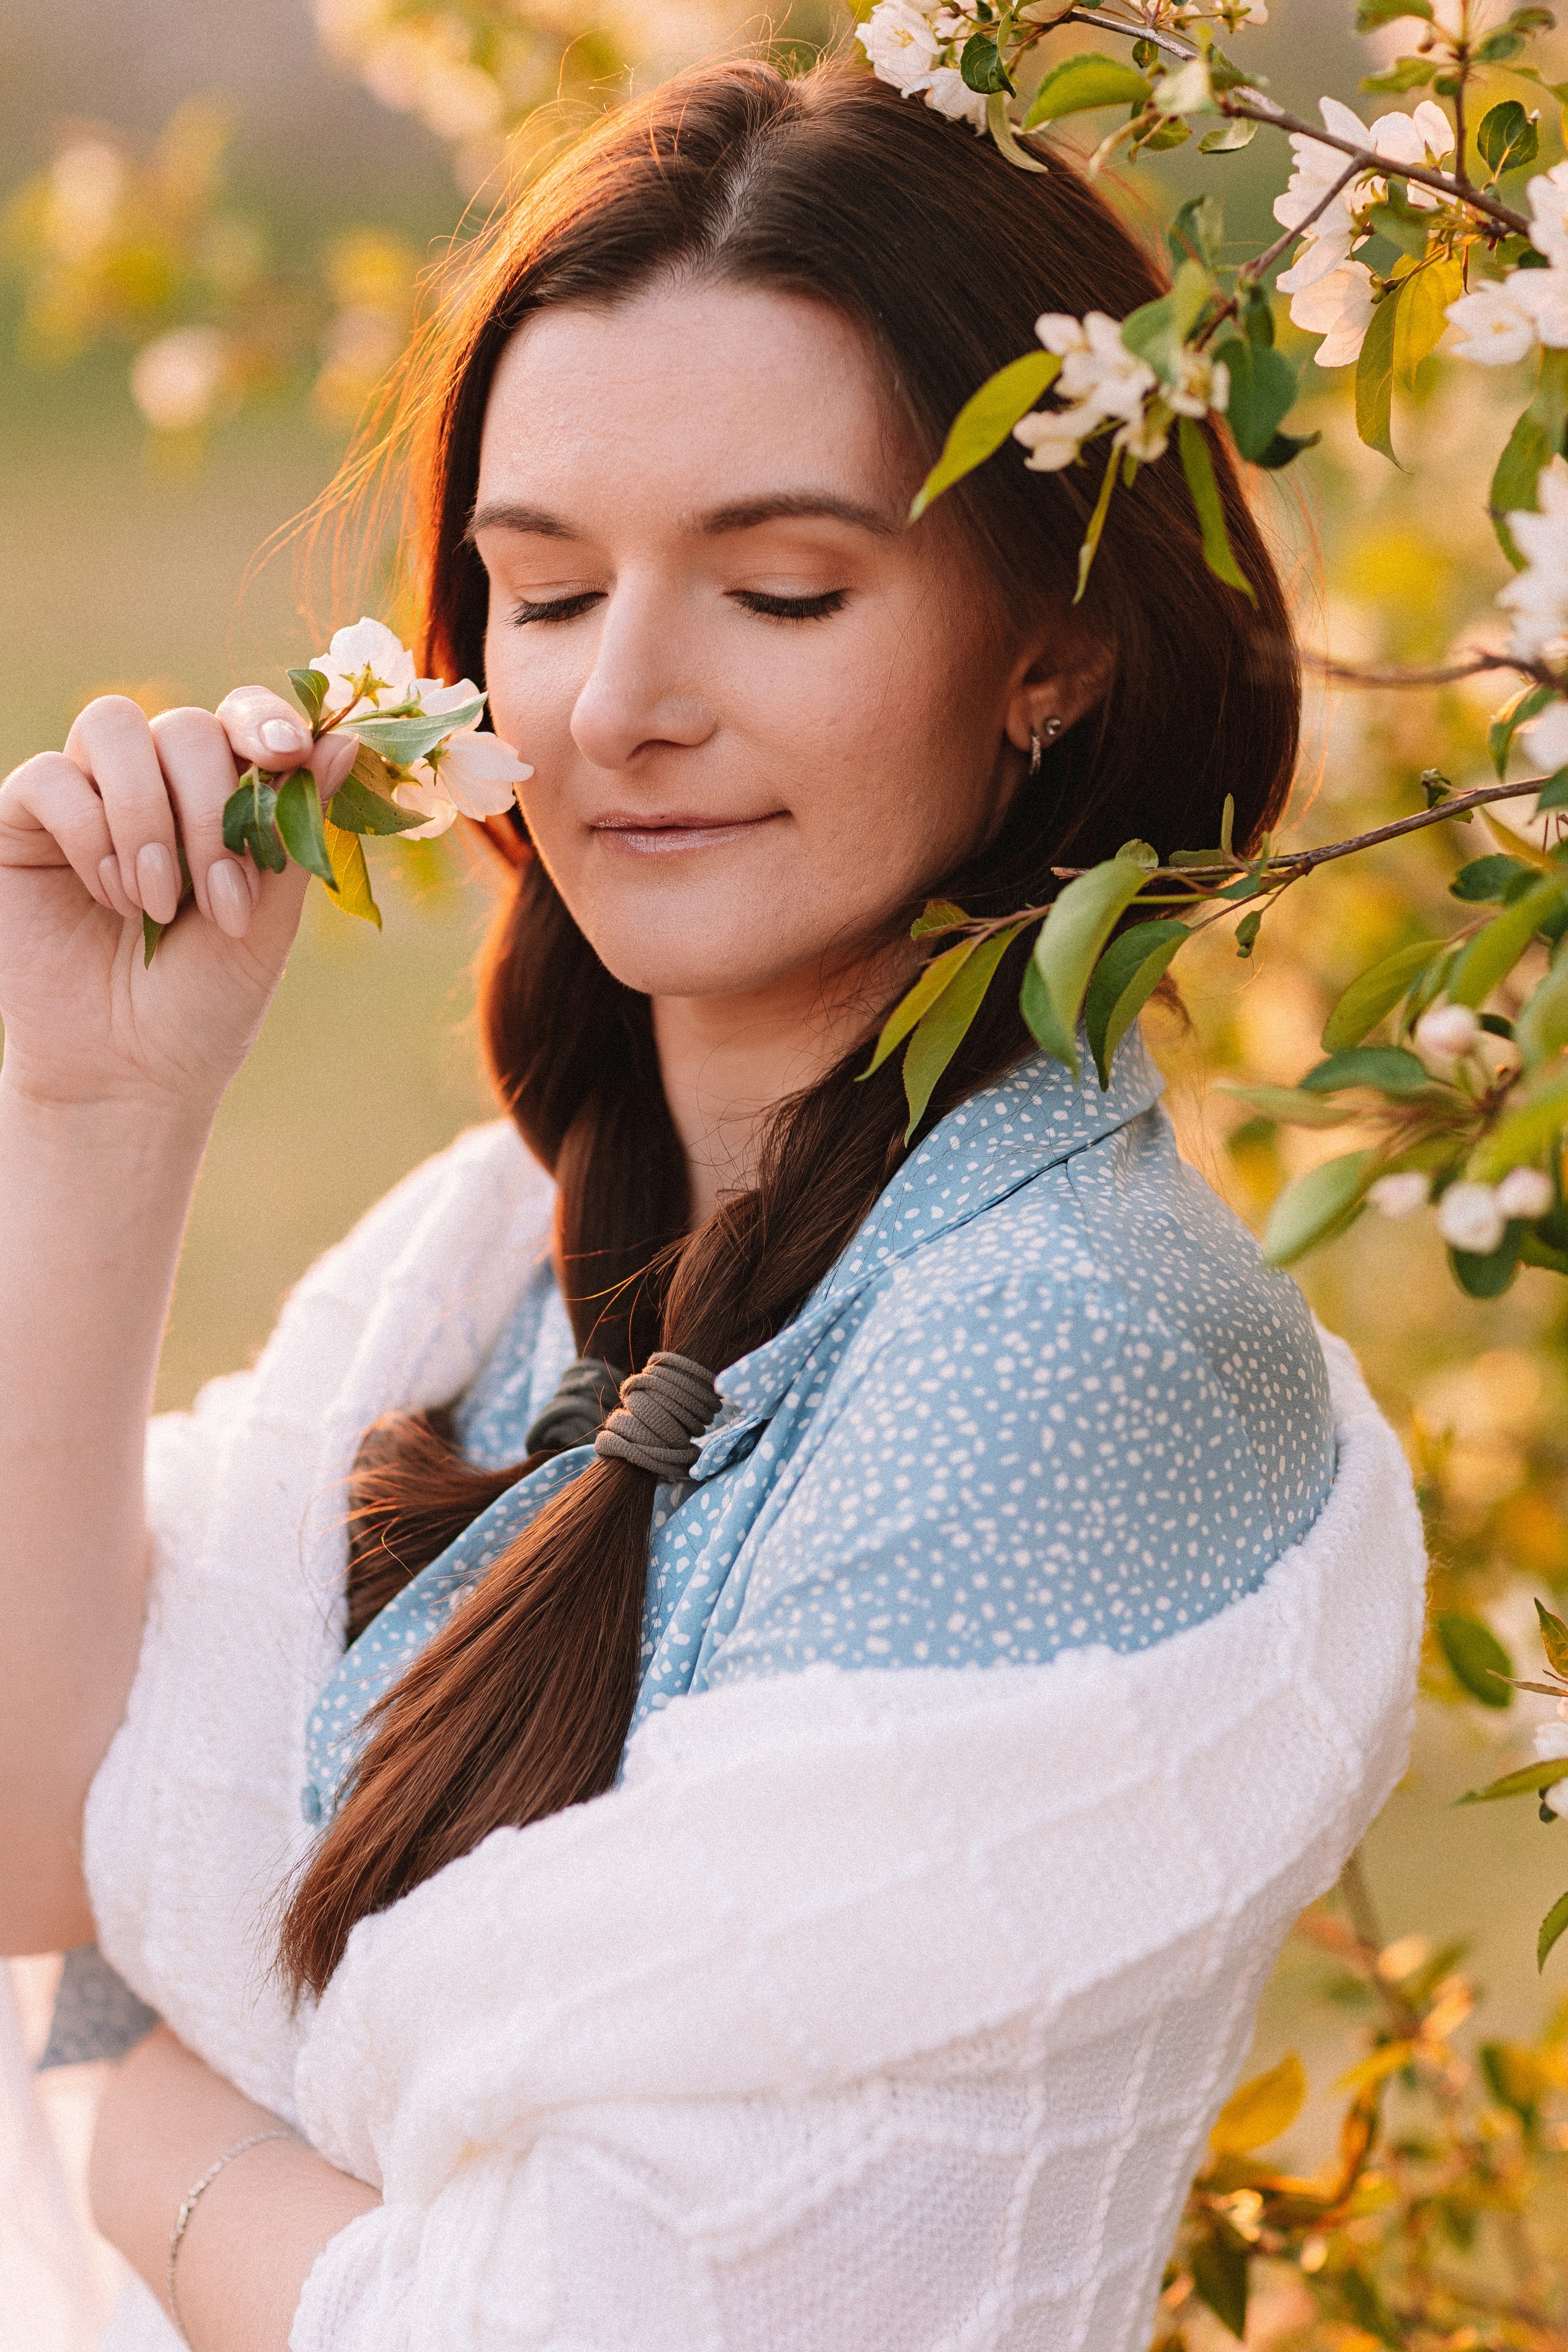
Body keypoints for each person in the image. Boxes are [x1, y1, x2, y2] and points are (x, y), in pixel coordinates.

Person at [0, 56, 1424, 2352]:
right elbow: (30, 1844)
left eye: (778, 590)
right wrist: (90, 1110)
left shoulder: (1066, 1349)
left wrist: (111, 2108)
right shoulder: (478, 1260)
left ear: (1051, 645)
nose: (620, 706)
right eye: (544, 593)